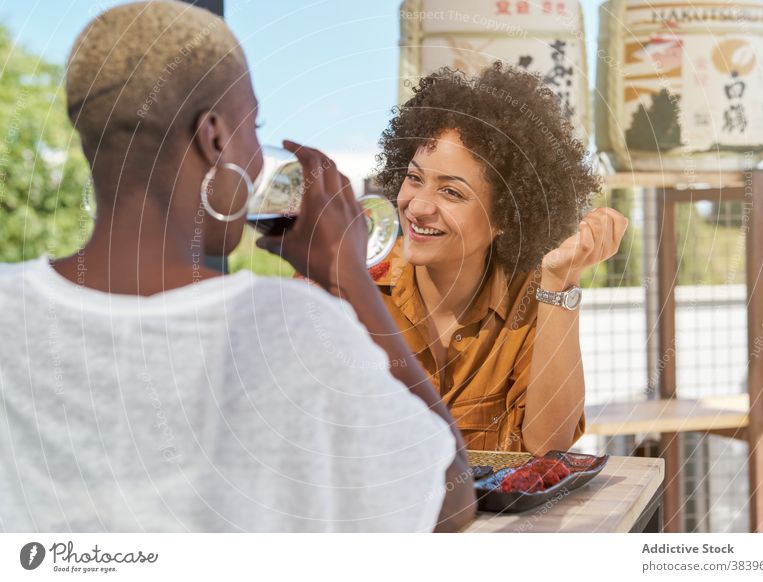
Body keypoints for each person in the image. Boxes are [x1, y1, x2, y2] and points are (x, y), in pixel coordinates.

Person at [0, 1, 475, 532]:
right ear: (215, 137)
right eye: (256, 127)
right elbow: (450, 498)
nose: (255, 154)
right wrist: (350, 282)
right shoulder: (280, 327)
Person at [370, 64, 629, 454]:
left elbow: (549, 447)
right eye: (415, 178)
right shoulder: (354, 284)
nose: (418, 207)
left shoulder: (530, 298)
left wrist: (562, 281)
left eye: (451, 193)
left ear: (505, 217)